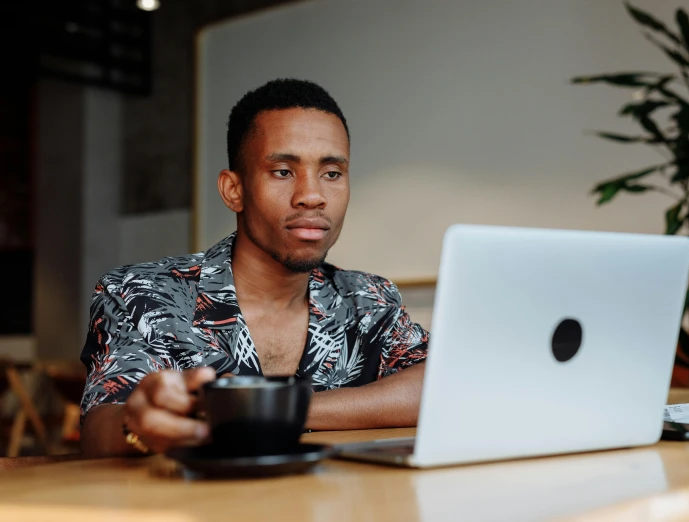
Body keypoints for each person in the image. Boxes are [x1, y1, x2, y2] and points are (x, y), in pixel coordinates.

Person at [79, 79, 428, 457]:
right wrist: (134, 423)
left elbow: (443, 383)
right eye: (282, 171)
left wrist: (274, 408)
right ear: (234, 190)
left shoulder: (370, 298)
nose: (312, 196)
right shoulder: (140, 292)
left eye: (331, 173)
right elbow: (100, 427)